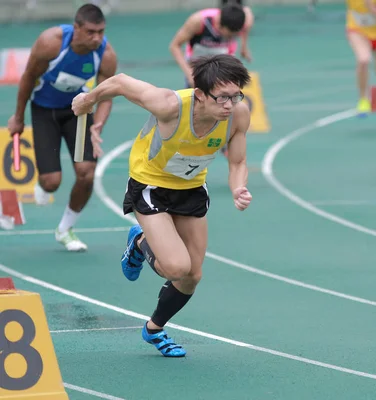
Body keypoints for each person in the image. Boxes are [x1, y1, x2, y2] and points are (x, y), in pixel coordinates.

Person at [71, 54, 253, 357]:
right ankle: (140, 242)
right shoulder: (168, 105)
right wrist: (88, 100)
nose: (229, 105)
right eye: (222, 98)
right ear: (200, 95)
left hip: (192, 189)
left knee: (192, 276)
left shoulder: (238, 115)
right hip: (151, 186)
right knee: (176, 267)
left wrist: (239, 188)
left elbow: (238, 161)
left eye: (235, 97)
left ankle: (154, 328)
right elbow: (119, 81)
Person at [7, 3, 117, 252]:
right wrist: (18, 117)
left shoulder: (105, 54)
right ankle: (43, 182)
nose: (97, 38)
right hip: (44, 110)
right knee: (51, 182)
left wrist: (97, 126)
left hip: (77, 111)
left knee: (86, 171)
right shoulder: (51, 42)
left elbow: (107, 95)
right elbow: (27, 77)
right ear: (76, 28)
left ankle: (65, 229)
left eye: (101, 31)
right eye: (91, 32)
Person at [169, 3, 253, 89]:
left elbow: (248, 15)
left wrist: (244, 47)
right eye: (229, 35)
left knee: (226, 92)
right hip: (198, 63)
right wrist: (189, 75)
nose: (231, 38)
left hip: (222, 59)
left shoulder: (246, 20)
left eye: (234, 35)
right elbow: (175, 46)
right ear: (220, 26)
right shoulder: (198, 21)